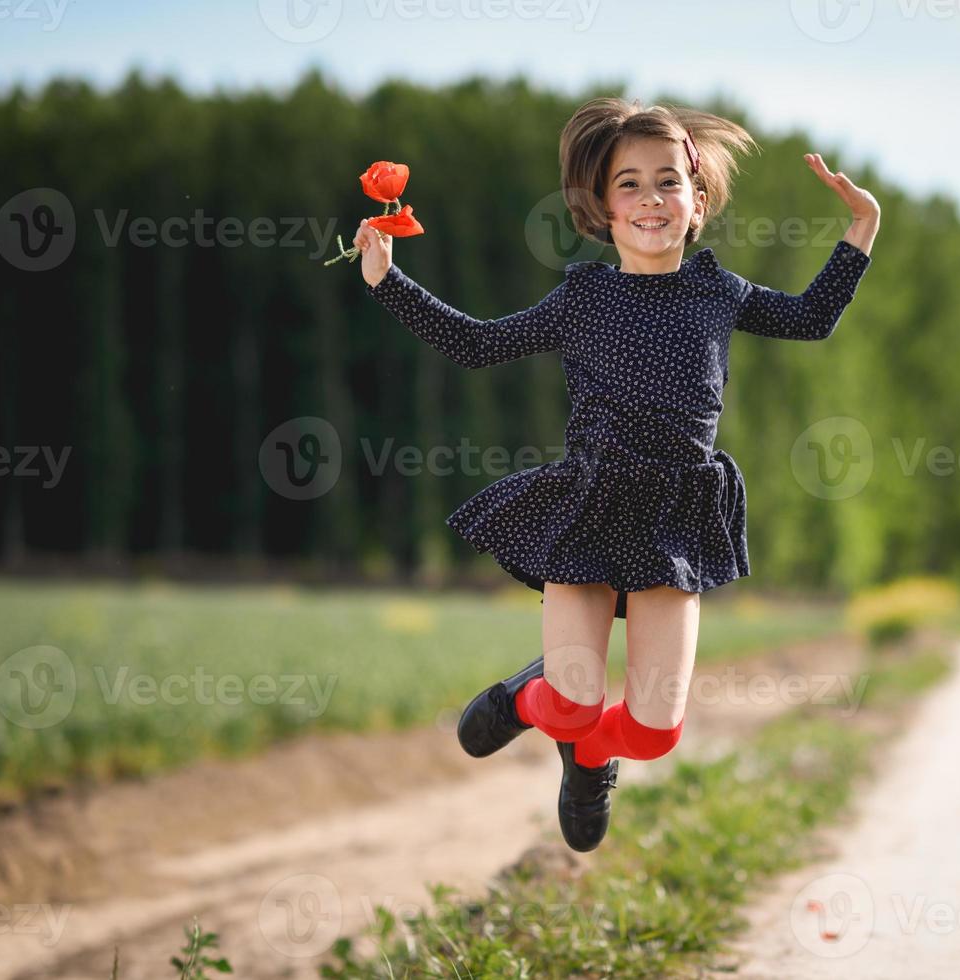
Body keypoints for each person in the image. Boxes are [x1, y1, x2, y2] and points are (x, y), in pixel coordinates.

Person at [354, 96, 879, 852]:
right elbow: (476, 346)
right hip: (592, 500)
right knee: (569, 700)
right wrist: (385, 280)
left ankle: (591, 760)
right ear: (602, 207)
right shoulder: (583, 296)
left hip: (678, 513)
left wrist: (862, 226)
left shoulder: (717, 291)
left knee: (654, 732)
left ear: (697, 201)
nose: (649, 199)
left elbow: (810, 317)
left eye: (667, 182)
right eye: (627, 184)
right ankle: (526, 698)